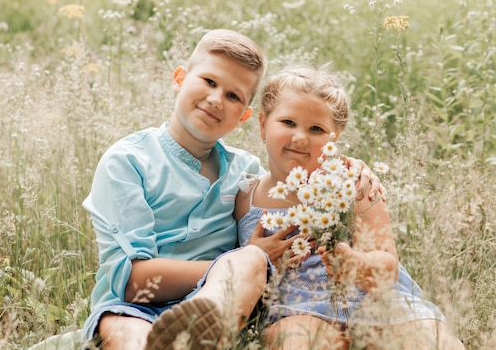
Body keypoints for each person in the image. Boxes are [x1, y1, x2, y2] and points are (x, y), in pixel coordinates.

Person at [80, 30, 383, 350]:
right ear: (179, 78)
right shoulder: (128, 161)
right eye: (209, 82)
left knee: (250, 259)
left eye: (233, 96)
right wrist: (226, 265)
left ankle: (203, 331)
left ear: (245, 117)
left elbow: (301, 182)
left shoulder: (247, 172)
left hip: (224, 304)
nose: (216, 99)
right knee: (131, 336)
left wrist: (350, 168)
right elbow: (131, 283)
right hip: (131, 309)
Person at [235, 64, 465, 350]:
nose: (301, 137)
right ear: (262, 125)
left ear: (335, 138)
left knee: (431, 340)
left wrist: (354, 263)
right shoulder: (244, 197)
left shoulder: (354, 186)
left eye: (316, 129)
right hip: (297, 309)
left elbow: (387, 266)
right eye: (288, 123)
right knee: (297, 341)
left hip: (374, 302)